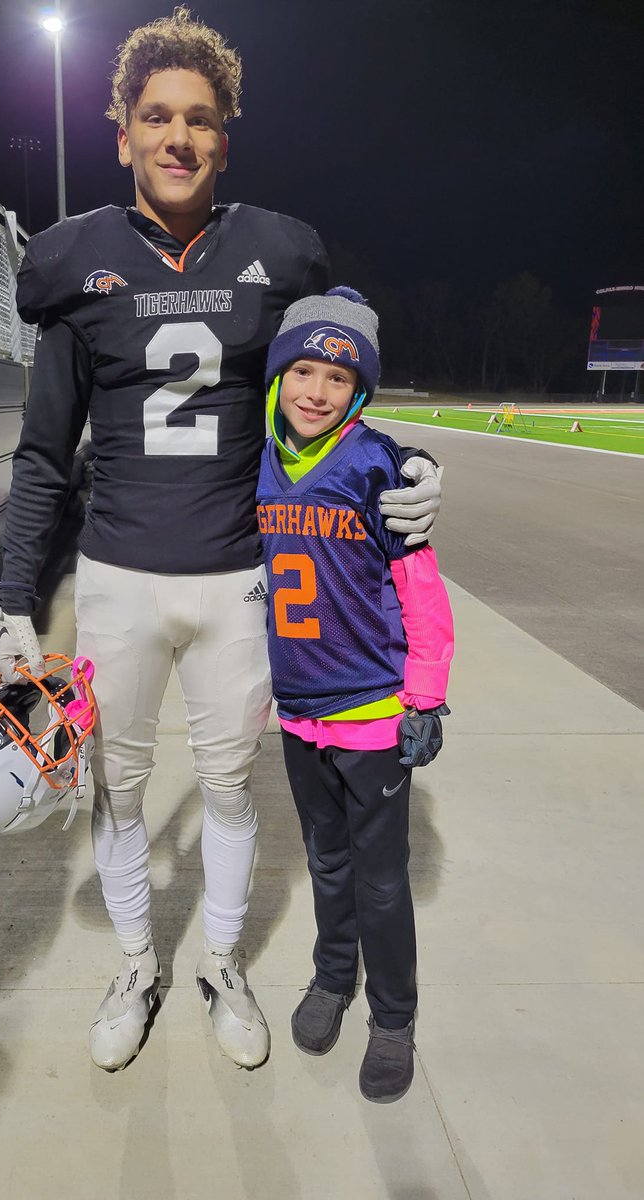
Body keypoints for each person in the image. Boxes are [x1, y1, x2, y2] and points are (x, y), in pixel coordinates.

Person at [0, 7, 443, 1072]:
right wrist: (14, 597)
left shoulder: (279, 253)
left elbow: (337, 392)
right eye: (157, 117)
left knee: (233, 787)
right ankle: (139, 960)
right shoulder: (77, 264)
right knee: (121, 787)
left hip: (241, 580)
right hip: (116, 580)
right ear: (123, 133)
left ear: (224, 136)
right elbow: (45, 454)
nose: (177, 137)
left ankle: (221, 960)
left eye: (199, 119)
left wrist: (411, 471)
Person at [256, 286, 453, 1101]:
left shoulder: (378, 465)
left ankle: (394, 1015)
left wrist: (427, 696)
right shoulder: (257, 457)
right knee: (325, 864)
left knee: (379, 877)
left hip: (370, 709)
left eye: (337, 380)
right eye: (301, 370)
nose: (315, 390)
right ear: (276, 377)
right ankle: (332, 977)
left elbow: (422, 590)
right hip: (298, 713)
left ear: (360, 391)